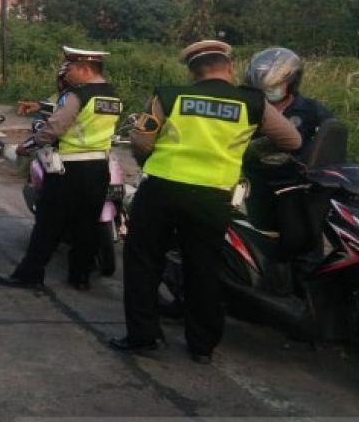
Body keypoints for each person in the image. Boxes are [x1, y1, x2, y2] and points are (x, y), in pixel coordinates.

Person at [109, 40, 301, 364]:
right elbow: (291, 140)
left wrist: (149, 162)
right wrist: (244, 145)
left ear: (193, 71)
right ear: (228, 67)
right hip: (213, 197)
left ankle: (143, 337)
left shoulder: (169, 96)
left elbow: (141, 140)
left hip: (162, 190)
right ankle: (202, 346)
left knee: (144, 263)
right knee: (204, 268)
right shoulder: (252, 102)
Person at [0, 47, 121, 293]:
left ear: (85, 69)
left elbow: (54, 128)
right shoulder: (112, 96)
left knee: (48, 224)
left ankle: (29, 274)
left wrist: (27, 145)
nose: (67, 73)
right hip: (99, 167)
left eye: (71, 68)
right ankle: (80, 277)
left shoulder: (77, 95)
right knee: (87, 225)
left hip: (68, 169)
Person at [243, 46, 336, 258]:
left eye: (274, 86)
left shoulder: (312, 111)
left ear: (292, 83)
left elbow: (329, 142)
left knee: (306, 248)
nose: (267, 93)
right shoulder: (248, 109)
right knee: (259, 246)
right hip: (256, 187)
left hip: (298, 190)